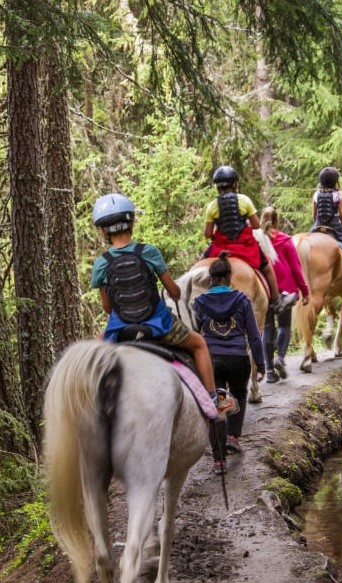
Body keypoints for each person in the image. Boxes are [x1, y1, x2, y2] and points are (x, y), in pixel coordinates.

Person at [89, 192, 237, 419]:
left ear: (102, 230)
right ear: (131, 223)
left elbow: (107, 308)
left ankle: (92, 408)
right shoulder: (148, 252)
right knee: (199, 344)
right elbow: (175, 293)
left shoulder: (101, 263)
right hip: (159, 324)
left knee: (91, 357)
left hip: (120, 330)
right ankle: (214, 400)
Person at [192, 252, 266, 474]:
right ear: (230, 276)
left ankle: (219, 460)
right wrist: (261, 363)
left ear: (211, 278)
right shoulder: (242, 300)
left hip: (212, 360)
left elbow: (196, 334)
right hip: (238, 358)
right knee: (240, 394)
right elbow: (253, 335)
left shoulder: (200, 302)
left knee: (217, 403)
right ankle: (233, 437)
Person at [204, 165, 297, 315]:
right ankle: (276, 300)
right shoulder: (244, 200)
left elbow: (208, 234)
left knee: (200, 264)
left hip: (221, 247)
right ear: (234, 184)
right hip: (244, 246)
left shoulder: (212, 206)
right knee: (266, 267)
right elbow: (255, 226)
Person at [259, 206, 309, 384]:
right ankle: (280, 357)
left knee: (268, 328)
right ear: (277, 221)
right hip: (286, 290)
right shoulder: (286, 240)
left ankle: (270, 370)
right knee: (284, 326)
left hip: (265, 290)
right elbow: (296, 268)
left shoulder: (257, 240)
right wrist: (304, 290)